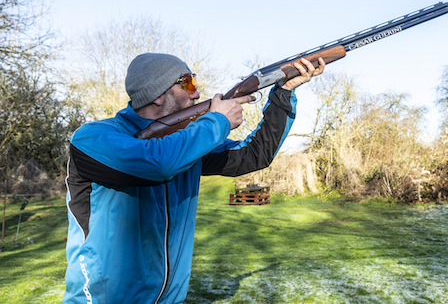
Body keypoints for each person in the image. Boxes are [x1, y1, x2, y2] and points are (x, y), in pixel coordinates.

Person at [63, 52, 324, 303]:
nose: (197, 93)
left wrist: (284, 92)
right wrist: (217, 121)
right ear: (157, 94)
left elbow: (255, 154)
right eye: (186, 83)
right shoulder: (92, 138)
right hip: (101, 298)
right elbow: (158, 163)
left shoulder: (186, 143)